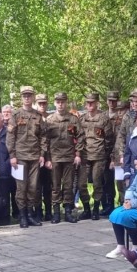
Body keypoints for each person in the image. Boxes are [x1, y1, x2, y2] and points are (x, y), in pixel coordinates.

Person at [7, 86, 47, 228]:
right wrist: (12, 155)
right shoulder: (16, 115)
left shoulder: (38, 116)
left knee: (33, 187)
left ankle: (30, 214)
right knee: (21, 187)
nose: (27, 98)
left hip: (35, 156)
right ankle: (22, 216)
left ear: (33, 97)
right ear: (21, 97)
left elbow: (43, 136)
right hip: (20, 156)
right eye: (24, 96)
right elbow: (10, 136)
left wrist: (42, 154)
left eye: (29, 95)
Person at [45, 92, 85, 223]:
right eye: (58, 102)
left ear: (66, 102)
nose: (60, 104)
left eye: (62, 101)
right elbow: (45, 140)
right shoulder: (49, 120)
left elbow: (80, 136)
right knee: (55, 186)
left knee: (68, 185)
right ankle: (56, 212)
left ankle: (68, 211)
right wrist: (48, 158)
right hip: (55, 157)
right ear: (55, 103)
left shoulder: (73, 119)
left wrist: (78, 154)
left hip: (69, 156)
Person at [79, 93, 114, 221]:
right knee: (81, 184)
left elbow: (109, 139)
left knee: (97, 183)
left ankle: (95, 209)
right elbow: (78, 137)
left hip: (99, 156)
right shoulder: (81, 119)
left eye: (92, 102)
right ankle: (86, 208)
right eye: (87, 102)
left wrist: (106, 154)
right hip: (84, 155)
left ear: (97, 103)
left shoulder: (104, 119)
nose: (89, 105)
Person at [101, 91, 121, 216]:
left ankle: (121, 204)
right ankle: (108, 205)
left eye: (114, 100)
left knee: (120, 180)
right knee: (105, 180)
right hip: (105, 152)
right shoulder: (103, 116)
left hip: (118, 151)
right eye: (110, 100)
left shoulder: (122, 116)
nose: (112, 103)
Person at [35, 93, 53, 222]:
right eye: (40, 103)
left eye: (44, 103)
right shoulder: (33, 117)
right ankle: (38, 212)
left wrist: (49, 158)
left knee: (48, 186)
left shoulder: (52, 118)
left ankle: (48, 211)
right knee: (35, 187)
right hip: (35, 156)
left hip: (51, 156)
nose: (42, 105)